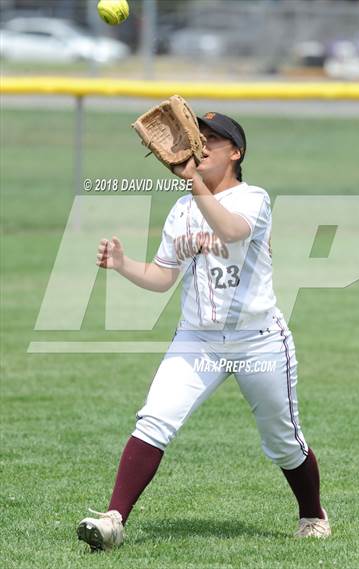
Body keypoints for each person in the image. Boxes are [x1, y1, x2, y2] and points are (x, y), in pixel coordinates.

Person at [77, 112, 331, 551]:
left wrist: (194, 184)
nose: (203, 146)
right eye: (199, 138)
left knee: (283, 440)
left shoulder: (253, 198)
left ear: (237, 152)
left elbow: (232, 232)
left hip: (259, 342)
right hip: (198, 340)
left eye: (214, 139)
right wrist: (122, 265)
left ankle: (312, 513)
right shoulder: (181, 209)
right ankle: (114, 519)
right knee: (154, 419)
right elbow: (162, 276)